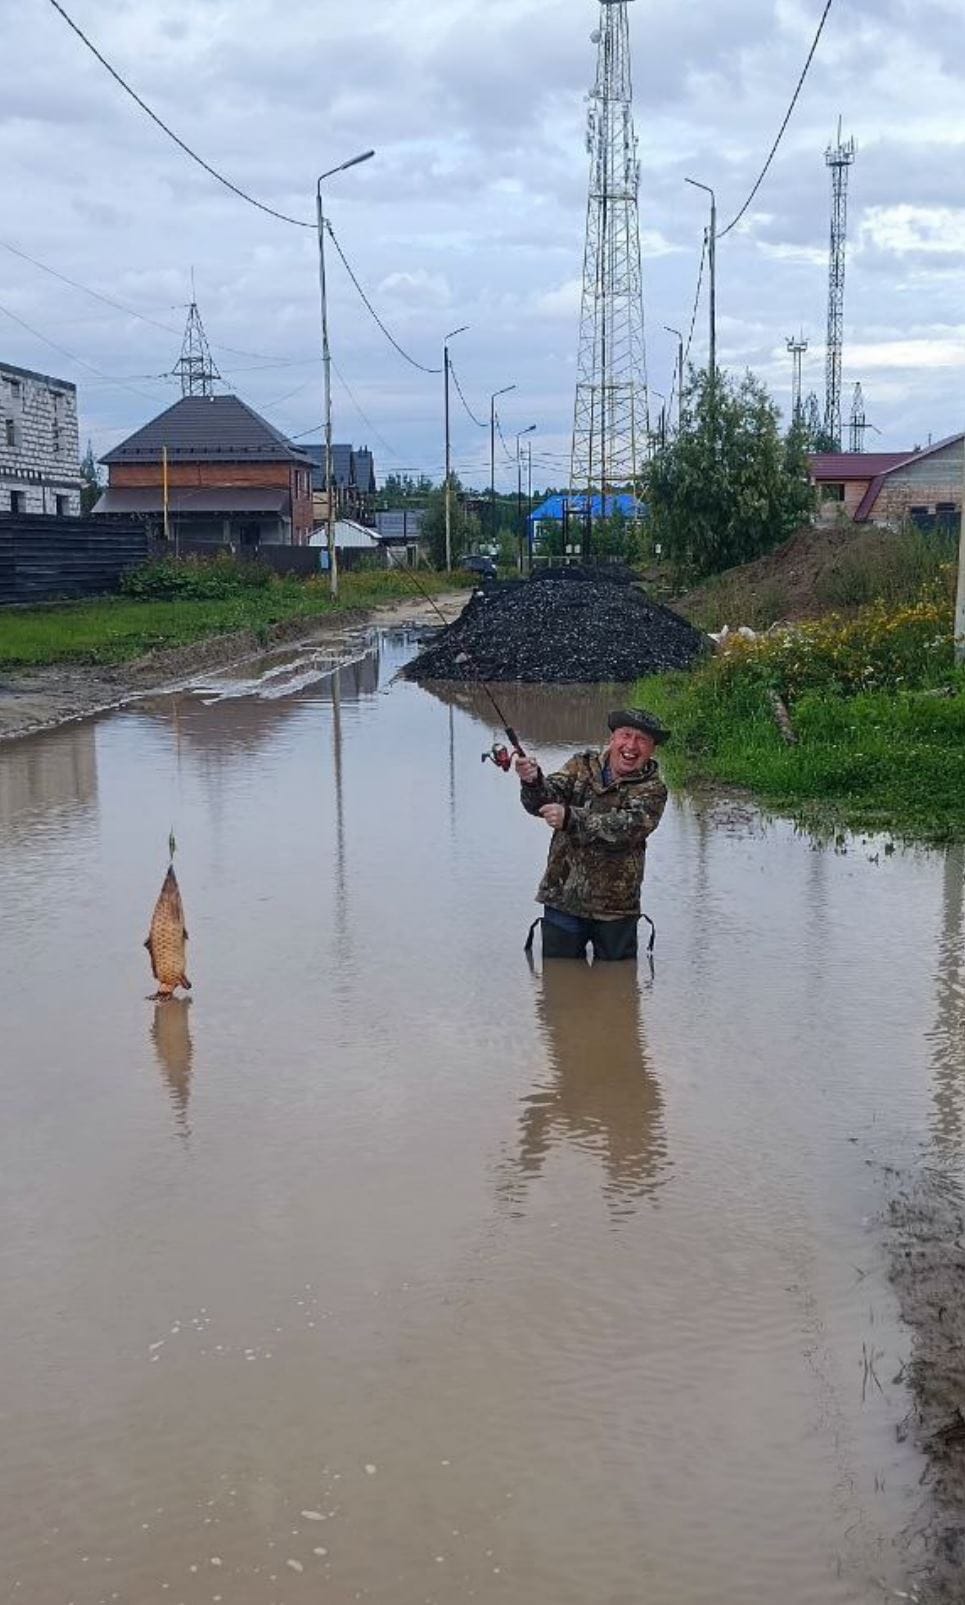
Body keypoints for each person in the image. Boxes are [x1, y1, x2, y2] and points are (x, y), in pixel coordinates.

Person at [515, 708, 668, 961]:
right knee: (559, 987)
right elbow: (543, 801)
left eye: (642, 740)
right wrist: (532, 781)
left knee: (617, 992)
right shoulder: (581, 764)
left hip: (616, 909)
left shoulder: (653, 789)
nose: (631, 746)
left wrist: (571, 818)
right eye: (625, 735)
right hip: (562, 898)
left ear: (652, 749)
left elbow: (627, 828)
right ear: (612, 739)